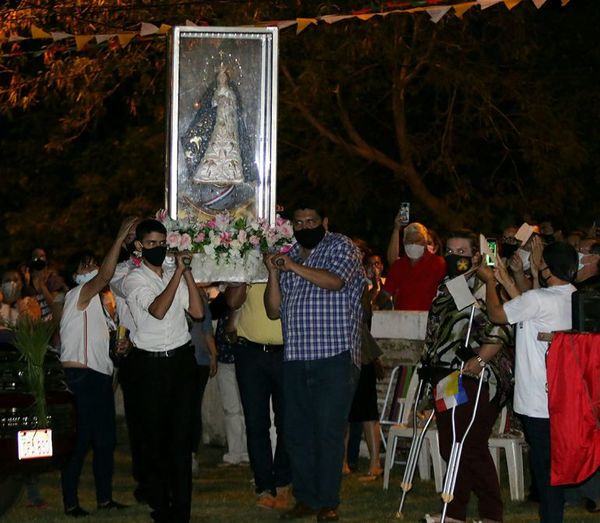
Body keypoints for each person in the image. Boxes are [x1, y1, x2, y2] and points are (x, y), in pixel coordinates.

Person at [264, 201, 364, 522]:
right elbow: (272, 310)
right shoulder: (289, 253)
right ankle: (306, 498)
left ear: (324, 220)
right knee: (295, 432)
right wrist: (273, 273)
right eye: (299, 222)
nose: (305, 227)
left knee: (328, 432)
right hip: (295, 357)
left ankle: (327, 501)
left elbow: (335, 281)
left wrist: (291, 267)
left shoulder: (340, 246)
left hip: (334, 357)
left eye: (311, 220)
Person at [481, 241, 579, 523]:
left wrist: (490, 283)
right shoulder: (573, 296)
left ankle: (552, 517)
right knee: (553, 465)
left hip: (537, 400)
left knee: (544, 469)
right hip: (561, 396)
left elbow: (498, 315)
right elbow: (527, 311)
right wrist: (506, 279)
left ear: (548, 269)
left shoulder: (539, 299)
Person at [420, 229, 512, 523]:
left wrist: (480, 358)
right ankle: (454, 511)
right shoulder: (450, 284)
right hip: (448, 376)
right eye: (450, 251)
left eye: (462, 252)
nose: (454, 257)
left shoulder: (485, 284)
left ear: (475, 255)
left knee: (470, 444)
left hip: (479, 378)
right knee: (451, 444)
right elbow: (438, 332)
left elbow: (500, 328)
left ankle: (491, 514)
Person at [123, 218, 204, 523]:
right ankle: (160, 505)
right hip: (150, 365)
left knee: (182, 438)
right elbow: (157, 311)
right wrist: (178, 275)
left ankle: (182, 510)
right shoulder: (135, 280)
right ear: (140, 246)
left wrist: (188, 276)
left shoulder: (175, 274)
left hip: (181, 361)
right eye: (152, 244)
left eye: (162, 243)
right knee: (155, 438)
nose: (158, 248)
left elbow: (197, 312)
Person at [59, 217, 136, 517]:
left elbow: (104, 345)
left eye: (93, 265)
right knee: (79, 443)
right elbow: (104, 277)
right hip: (81, 377)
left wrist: (119, 348)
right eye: (85, 267)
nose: (91, 271)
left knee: (105, 442)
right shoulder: (76, 295)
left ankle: (105, 499)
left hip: (100, 379)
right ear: (74, 275)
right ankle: (71, 503)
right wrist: (118, 238)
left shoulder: (101, 307)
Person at [225, 282, 291, 509]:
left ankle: (283, 482)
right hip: (250, 353)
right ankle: (264, 484)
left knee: (287, 422)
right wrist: (247, 272)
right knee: (256, 423)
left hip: (287, 352)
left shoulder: (289, 259)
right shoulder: (246, 259)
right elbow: (232, 302)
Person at [383, 222, 446, 311]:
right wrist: (375, 305)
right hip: (402, 319)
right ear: (404, 242)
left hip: (428, 320)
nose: (413, 243)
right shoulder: (398, 265)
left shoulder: (438, 263)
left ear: (424, 243)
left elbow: (451, 291)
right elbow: (386, 293)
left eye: (417, 240)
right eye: (410, 240)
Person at [190, 285, 218, 476]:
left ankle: (191, 453)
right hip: (177, 361)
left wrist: (213, 355)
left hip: (198, 361)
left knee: (192, 409)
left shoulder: (199, 296)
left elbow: (207, 330)